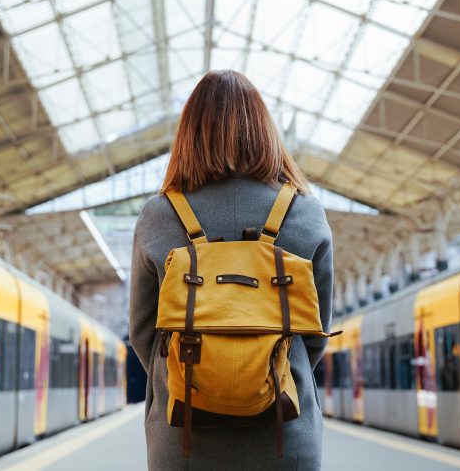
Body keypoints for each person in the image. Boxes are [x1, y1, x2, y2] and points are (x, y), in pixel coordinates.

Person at [129, 70, 334, 470]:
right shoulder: (306, 213)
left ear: (189, 133)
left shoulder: (159, 216)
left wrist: (203, 377)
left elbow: (143, 333)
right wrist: (265, 371)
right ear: (264, 130)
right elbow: (316, 333)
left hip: (183, 437)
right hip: (285, 431)